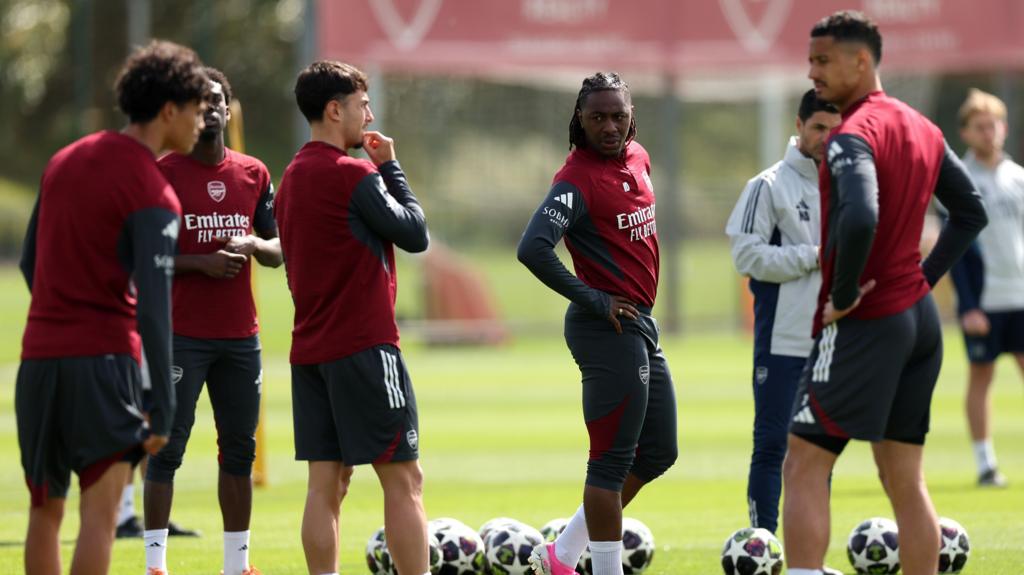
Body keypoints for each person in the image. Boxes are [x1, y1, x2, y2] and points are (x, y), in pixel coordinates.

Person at [782, 11, 988, 575]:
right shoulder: (923, 126)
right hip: (918, 319)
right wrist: (923, 282)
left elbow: (860, 216)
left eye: (823, 60)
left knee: (803, 459)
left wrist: (842, 292)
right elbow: (971, 213)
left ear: (861, 61)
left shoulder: (853, 134)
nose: (813, 71)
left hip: (868, 317)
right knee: (904, 478)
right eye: (811, 60)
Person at [16, 40, 207, 575]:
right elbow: (154, 308)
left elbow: (30, 263)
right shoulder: (153, 190)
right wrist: (163, 406)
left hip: (38, 364)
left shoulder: (63, 160)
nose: (201, 121)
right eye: (195, 110)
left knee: (44, 513)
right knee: (100, 518)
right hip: (102, 367)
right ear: (169, 110)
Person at [518, 72, 678, 575]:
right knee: (609, 465)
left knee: (657, 453)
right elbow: (533, 248)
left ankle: (561, 554)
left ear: (631, 116)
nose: (609, 126)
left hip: (639, 324)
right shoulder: (576, 179)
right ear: (579, 121)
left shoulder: (639, 157)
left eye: (618, 115)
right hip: (606, 328)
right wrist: (593, 299)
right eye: (597, 117)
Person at [275, 60, 430, 575]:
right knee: (404, 479)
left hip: (311, 352)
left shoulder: (291, 177)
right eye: (362, 104)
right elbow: (414, 233)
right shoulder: (351, 172)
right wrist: (391, 167)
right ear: (334, 108)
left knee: (327, 483)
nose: (369, 114)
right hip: (365, 347)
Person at [142, 66, 281, 575]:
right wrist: (199, 262)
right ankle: (155, 564)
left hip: (241, 339)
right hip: (181, 336)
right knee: (167, 448)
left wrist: (255, 244)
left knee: (239, 450)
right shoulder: (163, 172)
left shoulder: (253, 172)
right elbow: (141, 253)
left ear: (229, 107)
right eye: (199, 104)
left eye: (217, 102)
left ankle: (235, 565)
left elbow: (280, 246)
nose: (210, 111)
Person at [725, 90, 840, 535]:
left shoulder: (851, 184)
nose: (826, 139)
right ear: (799, 124)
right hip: (784, 341)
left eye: (835, 130)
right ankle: (764, 545)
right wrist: (815, 255)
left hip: (834, 341)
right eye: (818, 128)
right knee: (773, 446)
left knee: (820, 454)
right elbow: (747, 258)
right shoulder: (768, 186)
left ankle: (809, 555)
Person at [949, 88, 1024, 488]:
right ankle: (985, 463)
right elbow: (957, 248)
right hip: (986, 300)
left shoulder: (1018, 177)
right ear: (966, 133)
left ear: (1004, 127)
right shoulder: (961, 180)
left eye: (993, 124)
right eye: (979, 126)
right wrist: (969, 305)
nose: (988, 132)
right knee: (982, 376)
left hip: (1021, 294)